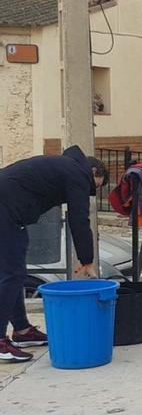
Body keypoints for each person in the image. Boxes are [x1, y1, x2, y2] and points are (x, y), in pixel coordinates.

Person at [0, 146, 108, 362]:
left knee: (15, 272)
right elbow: (79, 218)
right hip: (5, 209)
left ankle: (22, 330)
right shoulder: (78, 173)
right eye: (95, 186)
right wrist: (87, 260)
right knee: (11, 274)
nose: (91, 191)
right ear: (94, 171)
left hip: (10, 211)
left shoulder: (65, 167)